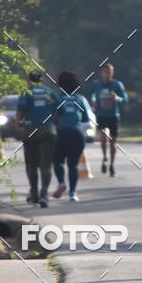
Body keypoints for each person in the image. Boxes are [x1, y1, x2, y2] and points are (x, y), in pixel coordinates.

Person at [16, 71, 59, 208]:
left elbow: (20, 112)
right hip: (48, 132)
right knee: (46, 165)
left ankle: (34, 192)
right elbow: (60, 109)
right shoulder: (50, 93)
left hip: (30, 132)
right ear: (42, 80)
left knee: (31, 164)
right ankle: (44, 194)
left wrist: (18, 122)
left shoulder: (26, 92)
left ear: (29, 80)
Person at [52, 71, 93, 202]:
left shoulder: (56, 99)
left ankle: (61, 182)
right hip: (76, 134)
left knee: (57, 161)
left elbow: (52, 118)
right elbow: (88, 122)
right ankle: (72, 193)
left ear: (60, 85)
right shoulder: (80, 99)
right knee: (73, 165)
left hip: (60, 134)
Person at [90, 63, 128, 176]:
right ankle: (105, 157)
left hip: (113, 116)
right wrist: (93, 101)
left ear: (112, 73)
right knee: (102, 138)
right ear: (101, 73)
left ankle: (112, 164)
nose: (107, 74)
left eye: (109, 72)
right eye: (105, 71)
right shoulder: (96, 84)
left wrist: (117, 98)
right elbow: (90, 95)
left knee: (113, 142)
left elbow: (125, 99)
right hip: (101, 115)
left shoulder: (117, 85)